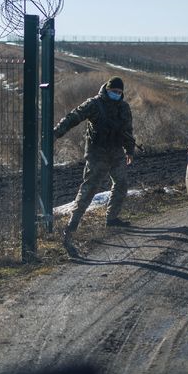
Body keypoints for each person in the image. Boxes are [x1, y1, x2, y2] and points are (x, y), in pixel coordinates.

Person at [54, 76, 136, 249]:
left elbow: (128, 131)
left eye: (120, 92)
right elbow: (73, 117)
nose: (117, 94)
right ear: (107, 89)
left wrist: (129, 150)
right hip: (97, 154)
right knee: (90, 187)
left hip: (116, 152)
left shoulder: (124, 107)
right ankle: (73, 223)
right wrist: (55, 133)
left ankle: (112, 219)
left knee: (121, 184)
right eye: (114, 91)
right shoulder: (94, 104)